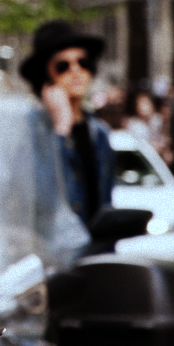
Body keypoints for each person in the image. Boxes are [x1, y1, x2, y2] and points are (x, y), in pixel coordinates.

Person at [20, 20, 114, 227]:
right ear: (46, 76)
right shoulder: (31, 131)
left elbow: (105, 204)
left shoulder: (100, 133)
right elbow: (44, 199)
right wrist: (61, 127)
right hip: (55, 246)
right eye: (63, 66)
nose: (75, 70)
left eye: (83, 62)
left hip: (97, 246)